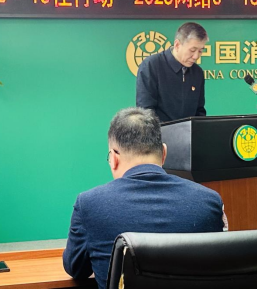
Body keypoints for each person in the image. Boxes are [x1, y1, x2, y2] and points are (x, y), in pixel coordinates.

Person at [63, 108, 227, 289]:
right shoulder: (210, 202)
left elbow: (75, 269)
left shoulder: (88, 204)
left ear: (114, 158)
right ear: (164, 153)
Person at [136, 22, 208, 122]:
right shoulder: (151, 65)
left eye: (200, 51)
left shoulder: (197, 72)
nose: (196, 56)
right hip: (159, 131)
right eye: (192, 50)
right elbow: (145, 111)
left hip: (189, 132)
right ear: (177, 45)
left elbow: (199, 112)